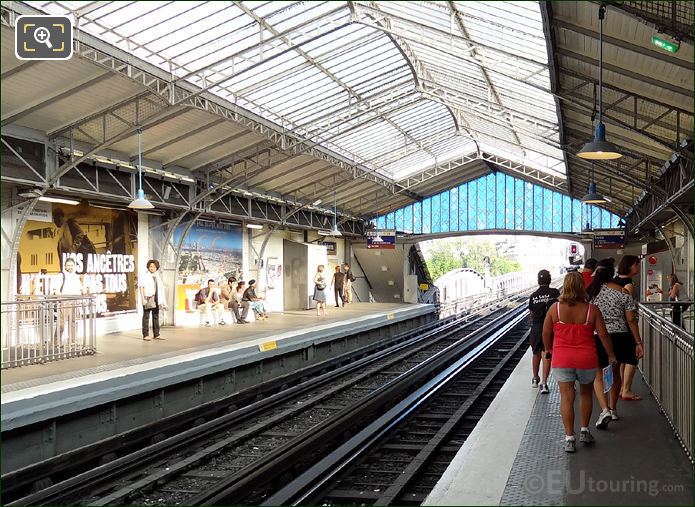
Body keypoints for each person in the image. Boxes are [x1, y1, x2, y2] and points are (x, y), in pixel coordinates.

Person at [542, 272, 616, 453]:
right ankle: (584, 430)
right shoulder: (592, 310)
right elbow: (604, 335)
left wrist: (548, 349)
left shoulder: (555, 309)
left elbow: (545, 333)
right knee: (585, 394)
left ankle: (569, 438)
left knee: (566, 397)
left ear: (565, 286)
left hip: (562, 359)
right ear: (582, 286)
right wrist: (611, 355)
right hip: (586, 359)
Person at [587, 259, 644, 419]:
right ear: (612, 274)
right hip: (620, 336)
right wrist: (638, 342)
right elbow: (631, 320)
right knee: (615, 372)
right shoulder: (622, 292)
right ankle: (613, 409)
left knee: (599, 374)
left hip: (597, 336)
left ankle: (604, 409)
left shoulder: (590, 293)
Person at [612, 255, 641, 399]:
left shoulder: (614, 281)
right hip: (626, 325)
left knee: (621, 359)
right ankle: (626, 389)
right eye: (637, 264)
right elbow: (629, 309)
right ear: (630, 266)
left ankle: (621, 387)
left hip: (615, 325)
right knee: (632, 357)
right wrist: (638, 341)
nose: (638, 267)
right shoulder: (628, 284)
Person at [527, 269, 560, 393]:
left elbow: (531, 314)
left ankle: (535, 379)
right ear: (549, 279)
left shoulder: (533, 296)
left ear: (538, 280)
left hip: (536, 328)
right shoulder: (555, 293)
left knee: (536, 353)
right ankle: (544, 384)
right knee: (547, 353)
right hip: (550, 328)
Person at [140, 259, 166, 341]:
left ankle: (156, 334)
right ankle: (145, 334)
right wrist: (143, 298)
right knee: (146, 316)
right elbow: (141, 287)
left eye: (154, 267)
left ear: (156, 268)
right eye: (151, 266)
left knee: (156, 316)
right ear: (148, 267)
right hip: (148, 297)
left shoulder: (158, 276)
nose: (152, 268)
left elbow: (160, 288)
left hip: (157, 298)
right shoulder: (144, 276)